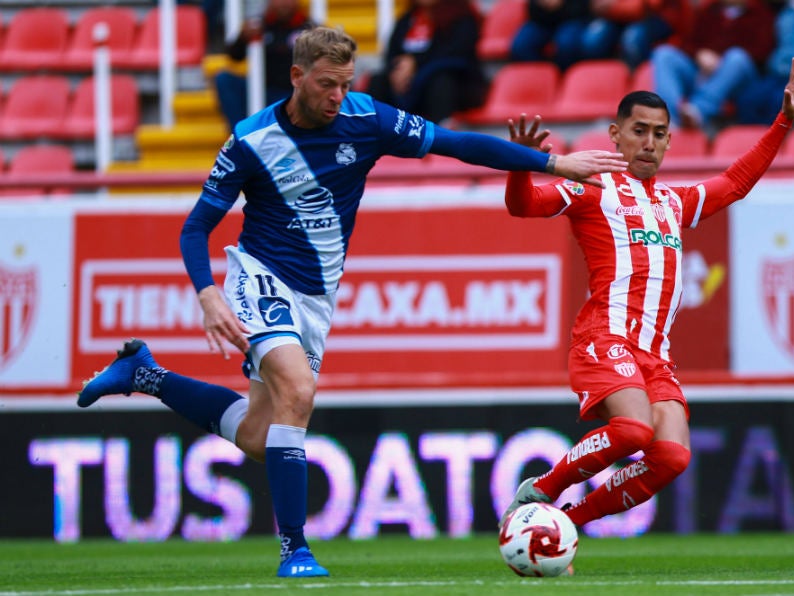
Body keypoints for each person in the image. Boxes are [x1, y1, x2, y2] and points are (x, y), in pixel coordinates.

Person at [76, 26, 628, 579]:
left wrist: (552, 165)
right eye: (326, 85)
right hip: (260, 275)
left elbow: (453, 143)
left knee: (259, 438)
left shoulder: (367, 119)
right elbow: (195, 228)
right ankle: (295, 549)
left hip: (316, 296)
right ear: (297, 77)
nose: (337, 96)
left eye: (344, 84)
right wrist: (208, 294)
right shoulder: (251, 138)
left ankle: (143, 375)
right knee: (299, 389)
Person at [499, 57, 794, 531]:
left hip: (653, 355)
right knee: (632, 430)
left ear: (668, 140)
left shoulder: (671, 202)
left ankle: (566, 522)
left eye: (659, 133)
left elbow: (736, 183)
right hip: (604, 338)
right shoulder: (593, 187)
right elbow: (522, 206)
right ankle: (543, 488)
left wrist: (783, 120)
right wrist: (522, 163)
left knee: (671, 456)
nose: (649, 142)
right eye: (639, 130)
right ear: (615, 134)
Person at [650, 0, 775, 129]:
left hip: (740, 79)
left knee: (736, 58)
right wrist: (700, 54)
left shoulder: (761, 14)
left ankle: (698, 110)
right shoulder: (709, 12)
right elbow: (687, 43)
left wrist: (722, 61)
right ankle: (668, 117)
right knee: (663, 54)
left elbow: (763, 52)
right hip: (702, 72)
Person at [365, 0, 488, 124]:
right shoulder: (407, 19)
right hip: (408, 85)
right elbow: (392, 55)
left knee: (441, 82)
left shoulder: (462, 17)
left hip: (452, 85)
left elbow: (456, 53)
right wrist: (398, 71)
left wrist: (415, 63)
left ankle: (440, 134)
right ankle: (373, 131)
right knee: (378, 81)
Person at [214, 0, 315, 129]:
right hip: (263, 90)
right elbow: (234, 57)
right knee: (224, 79)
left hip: (293, 93)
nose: (284, 3)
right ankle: (241, 133)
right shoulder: (259, 25)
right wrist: (242, 37)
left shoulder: (310, 28)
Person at [580, 0, 693, 70]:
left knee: (633, 37)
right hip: (617, 15)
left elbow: (643, 8)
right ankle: (601, 83)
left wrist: (612, 6)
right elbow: (597, 5)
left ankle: (635, 77)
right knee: (593, 38)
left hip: (658, 18)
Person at [509, 0, 592, 71]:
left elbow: (583, 8)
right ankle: (542, 78)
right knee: (521, 45)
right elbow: (531, 8)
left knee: (567, 45)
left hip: (571, 18)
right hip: (541, 19)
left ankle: (564, 78)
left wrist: (562, 4)